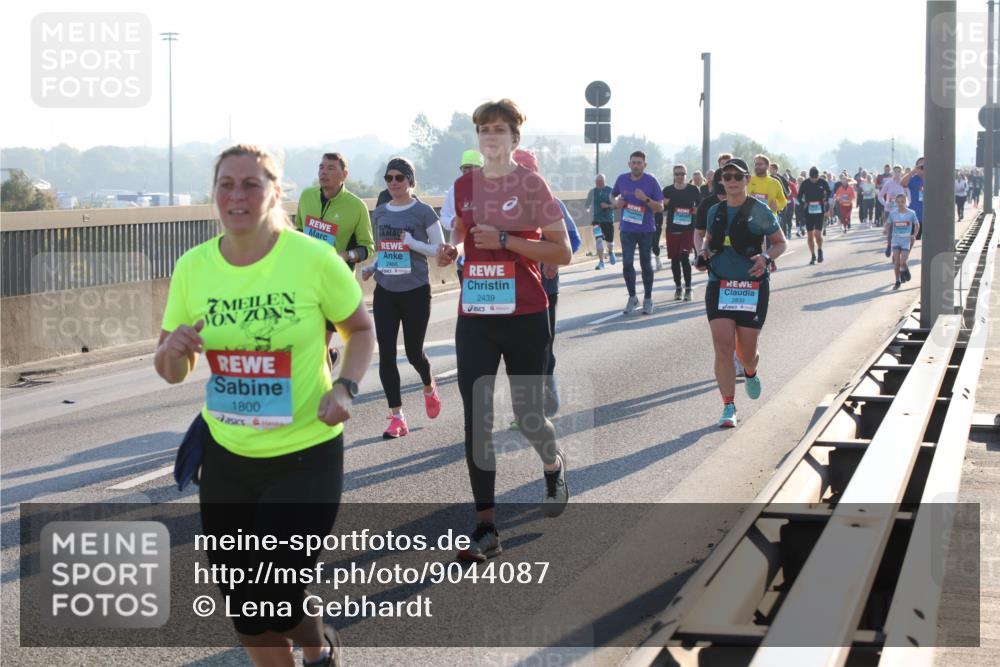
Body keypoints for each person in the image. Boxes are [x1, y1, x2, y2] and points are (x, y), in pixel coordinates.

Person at [156, 144, 375, 667]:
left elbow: (360, 329)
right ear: (214, 195)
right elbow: (170, 369)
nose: (237, 195)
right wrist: (173, 351)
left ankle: (317, 647)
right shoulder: (194, 267)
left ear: (274, 192)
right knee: (246, 608)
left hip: (305, 454)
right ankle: (312, 645)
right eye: (225, 184)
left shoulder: (312, 259)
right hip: (227, 456)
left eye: (250, 184)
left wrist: (345, 386)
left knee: (274, 592)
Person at [435, 99, 571, 562]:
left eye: (499, 129)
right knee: (478, 420)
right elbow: (458, 228)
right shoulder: (464, 184)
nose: (490, 136)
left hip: (525, 314)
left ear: (515, 137)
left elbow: (563, 251)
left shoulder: (530, 184)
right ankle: (486, 528)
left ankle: (552, 466)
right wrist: (451, 248)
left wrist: (509, 241)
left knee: (528, 416)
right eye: (483, 129)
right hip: (475, 315)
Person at [695, 158, 786, 428]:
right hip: (720, 284)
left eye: (737, 176)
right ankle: (728, 406)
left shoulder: (758, 211)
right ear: (721, 180)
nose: (732, 181)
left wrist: (767, 257)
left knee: (746, 352)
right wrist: (703, 254)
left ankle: (750, 370)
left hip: (751, 285)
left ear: (746, 180)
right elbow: (710, 241)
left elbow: (781, 243)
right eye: (727, 176)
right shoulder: (715, 211)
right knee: (723, 348)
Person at [363, 158, 445, 439]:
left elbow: (440, 250)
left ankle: (428, 384)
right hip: (385, 290)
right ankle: (397, 417)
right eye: (389, 178)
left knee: (413, 353)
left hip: (415, 291)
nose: (394, 183)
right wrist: (372, 267)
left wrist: (413, 244)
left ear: (411, 180)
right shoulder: (381, 212)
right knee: (386, 354)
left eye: (400, 177)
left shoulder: (423, 212)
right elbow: (386, 250)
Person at [294, 152, 375, 266]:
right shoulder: (306, 196)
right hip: (306, 272)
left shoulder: (358, 207)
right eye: (321, 167)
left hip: (336, 276)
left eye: (331, 168)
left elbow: (368, 248)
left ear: (344, 174)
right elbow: (300, 229)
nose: (324, 172)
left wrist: (347, 255)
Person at [612, 151, 665, 315]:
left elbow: (660, 207)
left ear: (644, 165)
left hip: (645, 230)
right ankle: (633, 297)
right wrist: (615, 203)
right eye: (633, 162)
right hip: (627, 229)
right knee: (627, 263)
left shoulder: (651, 181)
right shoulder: (622, 179)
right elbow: (612, 195)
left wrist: (645, 199)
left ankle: (648, 299)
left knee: (645, 264)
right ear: (629, 164)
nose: (636, 165)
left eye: (639, 163)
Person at [662, 163, 702, 301]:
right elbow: (661, 208)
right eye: (677, 174)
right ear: (674, 175)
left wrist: (696, 210)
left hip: (688, 228)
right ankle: (678, 287)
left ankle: (689, 288)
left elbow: (700, 205)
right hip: (672, 228)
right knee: (674, 260)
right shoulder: (667, 190)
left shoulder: (693, 190)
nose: (680, 176)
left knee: (684, 257)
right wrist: (664, 203)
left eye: (682, 174)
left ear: (686, 175)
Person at [884, 192, 920, 289]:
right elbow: (888, 223)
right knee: (896, 262)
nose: (900, 204)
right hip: (896, 239)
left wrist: (914, 234)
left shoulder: (911, 213)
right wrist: (885, 230)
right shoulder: (893, 213)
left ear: (905, 202)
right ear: (896, 202)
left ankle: (905, 269)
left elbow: (917, 224)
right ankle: (897, 281)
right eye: (898, 202)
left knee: (903, 261)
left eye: (902, 202)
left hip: (906, 240)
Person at [797, 166, 831, 264]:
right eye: (812, 179)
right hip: (809, 211)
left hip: (819, 210)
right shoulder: (805, 183)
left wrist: (825, 199)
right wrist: (803, 204)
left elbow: (829, 192)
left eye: (815, 179)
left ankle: (819, 249)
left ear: (818, 176)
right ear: (810, 177)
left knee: (817, 234)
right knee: (810, 236)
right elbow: (799, 196)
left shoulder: (822, 182)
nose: (814, 180)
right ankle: (813, 255)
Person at [586, 173, 615, 268]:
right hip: (596, 221)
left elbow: (616, 205)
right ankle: (601, 262)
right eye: (597, 181)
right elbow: (587, 204)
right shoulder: (592, 192)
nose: (598, 183)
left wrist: (608, 206)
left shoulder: (610, 190)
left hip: (608, 220)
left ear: (604, 181)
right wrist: (588, 210)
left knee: (609, 242)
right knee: (598, 240)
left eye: (600, 181)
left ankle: (610, 251)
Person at [900, 157, 925, 239]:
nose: (922, 168)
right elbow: (902, 183)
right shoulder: (913, 179)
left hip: (930, 216)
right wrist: (913, 171)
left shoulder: (933, 178)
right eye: (920, 166)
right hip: (915, 215)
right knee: (913, 240)